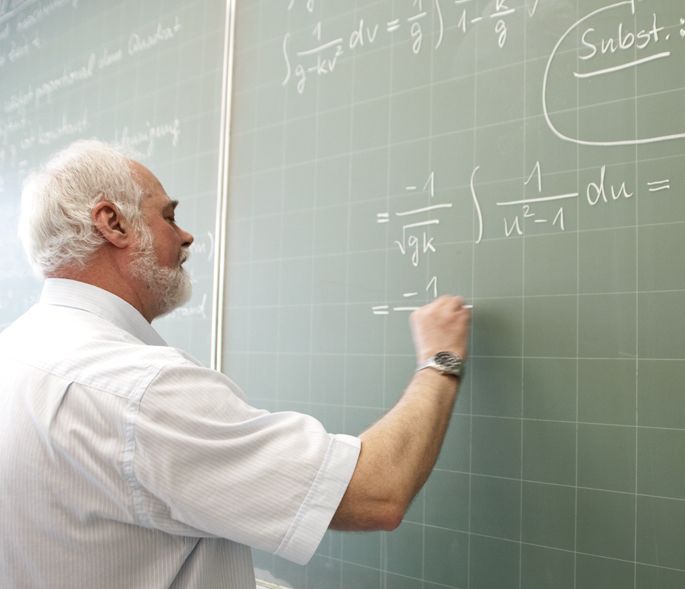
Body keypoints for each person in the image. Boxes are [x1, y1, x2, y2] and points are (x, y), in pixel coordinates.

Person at [0, 140, 470, 588]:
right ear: (113, 223)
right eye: (168, 215)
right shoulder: (139, 391)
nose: (186, 236)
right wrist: (440, 359)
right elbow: (376, 492)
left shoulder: (15, 353)